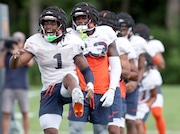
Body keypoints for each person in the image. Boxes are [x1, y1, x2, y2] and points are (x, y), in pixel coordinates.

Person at [9, 6, 95, 134]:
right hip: (49, 90)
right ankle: (75, 94)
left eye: (52, 23)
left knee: (68, 77)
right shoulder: (35, 42)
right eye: (46, 23)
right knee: (50, 131)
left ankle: (77, 96)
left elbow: (86, 69)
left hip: (68, 87)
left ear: (61, 25)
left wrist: (90, 85)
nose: (48, 26)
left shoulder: (72, 41)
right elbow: (15, 65)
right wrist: (15, 57)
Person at [68, 2, 121, 134]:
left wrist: (112, 89)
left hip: (102, 89)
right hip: (79, 89)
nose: (80, 21)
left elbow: (115, 63)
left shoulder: (106, 33)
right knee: (75, 129)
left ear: (92, 18)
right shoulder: (69, 35)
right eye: (77, 18)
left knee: (101, 130)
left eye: (83, 17)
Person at [99, 10, 131, 134]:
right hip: (93, 87)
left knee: (113, 128)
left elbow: (127, 72)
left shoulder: (120, 42)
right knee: (99, 128)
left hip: (113, 87)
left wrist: (110, 70)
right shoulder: (90, 40)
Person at [116, 12, 147, 134]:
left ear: (130, 29)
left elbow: (141, 66)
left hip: (133, 82)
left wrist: (135, 83)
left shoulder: (139, 42)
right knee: (119, 120)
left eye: (123, 30)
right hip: (118, 82)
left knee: (130, 120)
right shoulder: (114, 41)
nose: (121, 33)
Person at [133, 23, 166, 134]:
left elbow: (161, 65)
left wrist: (150, 56)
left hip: (151, 81)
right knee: (139, 118)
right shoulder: (131, 44)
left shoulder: (153, 45)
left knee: (157, 113)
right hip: (136, 80)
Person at [0, 31, 34, 134]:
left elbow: (30, 64)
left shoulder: (24, 52)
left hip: (22, 86)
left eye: (19, 40)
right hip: (8, 86)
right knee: (6, 113)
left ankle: (26, 132)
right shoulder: (7, 54)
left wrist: (17, 51)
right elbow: (1, 66)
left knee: (25, 112)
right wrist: (5, 51)